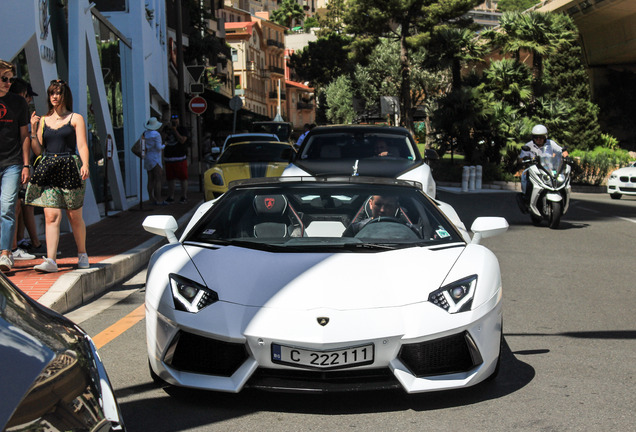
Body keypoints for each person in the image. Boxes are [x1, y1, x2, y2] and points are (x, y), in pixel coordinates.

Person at [26, 79, 91, 273]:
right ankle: (51, 260)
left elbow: (82, 145)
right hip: (49, 168)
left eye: (58, 93)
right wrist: (32, 129)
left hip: (70, 166)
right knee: (51, 215)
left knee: (74, 216)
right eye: (52, 93)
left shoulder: (75, 118)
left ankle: (82, 253)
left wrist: (85, 164)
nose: (54, 97)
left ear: (65, 95)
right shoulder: (44, 120)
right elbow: (38, 150)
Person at [0, 60, 31, 272]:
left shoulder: (19, 104)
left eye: (10, 79)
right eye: (4, 78)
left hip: (12, 163)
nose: (8, 83)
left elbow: (25, 135)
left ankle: (5, 253)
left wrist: (26, 164)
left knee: (7, 206)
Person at [9, 77, 45, 259]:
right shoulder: (14, 111)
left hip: (19, 164)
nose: (29, 100)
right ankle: (14, 246)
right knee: (17, 205)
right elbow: (26, 140)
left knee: (21, 204)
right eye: (27, 96)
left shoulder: (19, 111)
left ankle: (18, 243)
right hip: (13, 163)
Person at [517, 124, 568, 211]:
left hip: (550, 169)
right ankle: (527, 200)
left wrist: (566, 155)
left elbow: (562, 151)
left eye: (541, 137)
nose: (539, 140)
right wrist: (525, 159)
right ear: (533, 137)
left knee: (561, 179)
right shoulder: (528, 145)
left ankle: (563, 199)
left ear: (545, 137)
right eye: (536, 137)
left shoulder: (551, 143)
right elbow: (520, 159)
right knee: (528, 179)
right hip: (535, 170)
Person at [162, 115, 189, 203]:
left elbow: (182, 140)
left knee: (183, 178)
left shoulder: (182, 129)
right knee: (170, 179)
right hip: (169, 158)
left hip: (180, 158)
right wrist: (167, 130)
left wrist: (175, 130)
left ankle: (184, 196)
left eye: (176, 120)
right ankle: (171, 196)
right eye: (173, 120)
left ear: (178, 120)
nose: (174, 121)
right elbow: (162, 139)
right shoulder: (166, 128)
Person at [143, 116, 166, 205]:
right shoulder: (156, 134)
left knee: (150, 179)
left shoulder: (145, 133)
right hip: (155, 158)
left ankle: (151, 198)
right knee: (158, 179)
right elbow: (158, 147)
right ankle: (159, 199)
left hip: (147, 157)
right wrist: (164, 145)